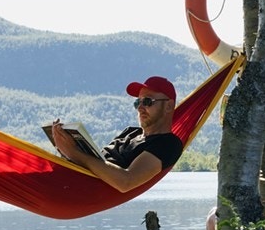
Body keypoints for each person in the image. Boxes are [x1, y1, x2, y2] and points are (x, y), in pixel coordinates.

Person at [49, 75, 184, 191]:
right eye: (138, 102)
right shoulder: (130, 132)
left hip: (78, 189)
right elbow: (98, 161)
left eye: (148, 101)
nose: (140, 108)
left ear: (168, 106)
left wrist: (74, 153)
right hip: (67, 179)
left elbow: (126, 181)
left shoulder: (168, 144)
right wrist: (64, 144)